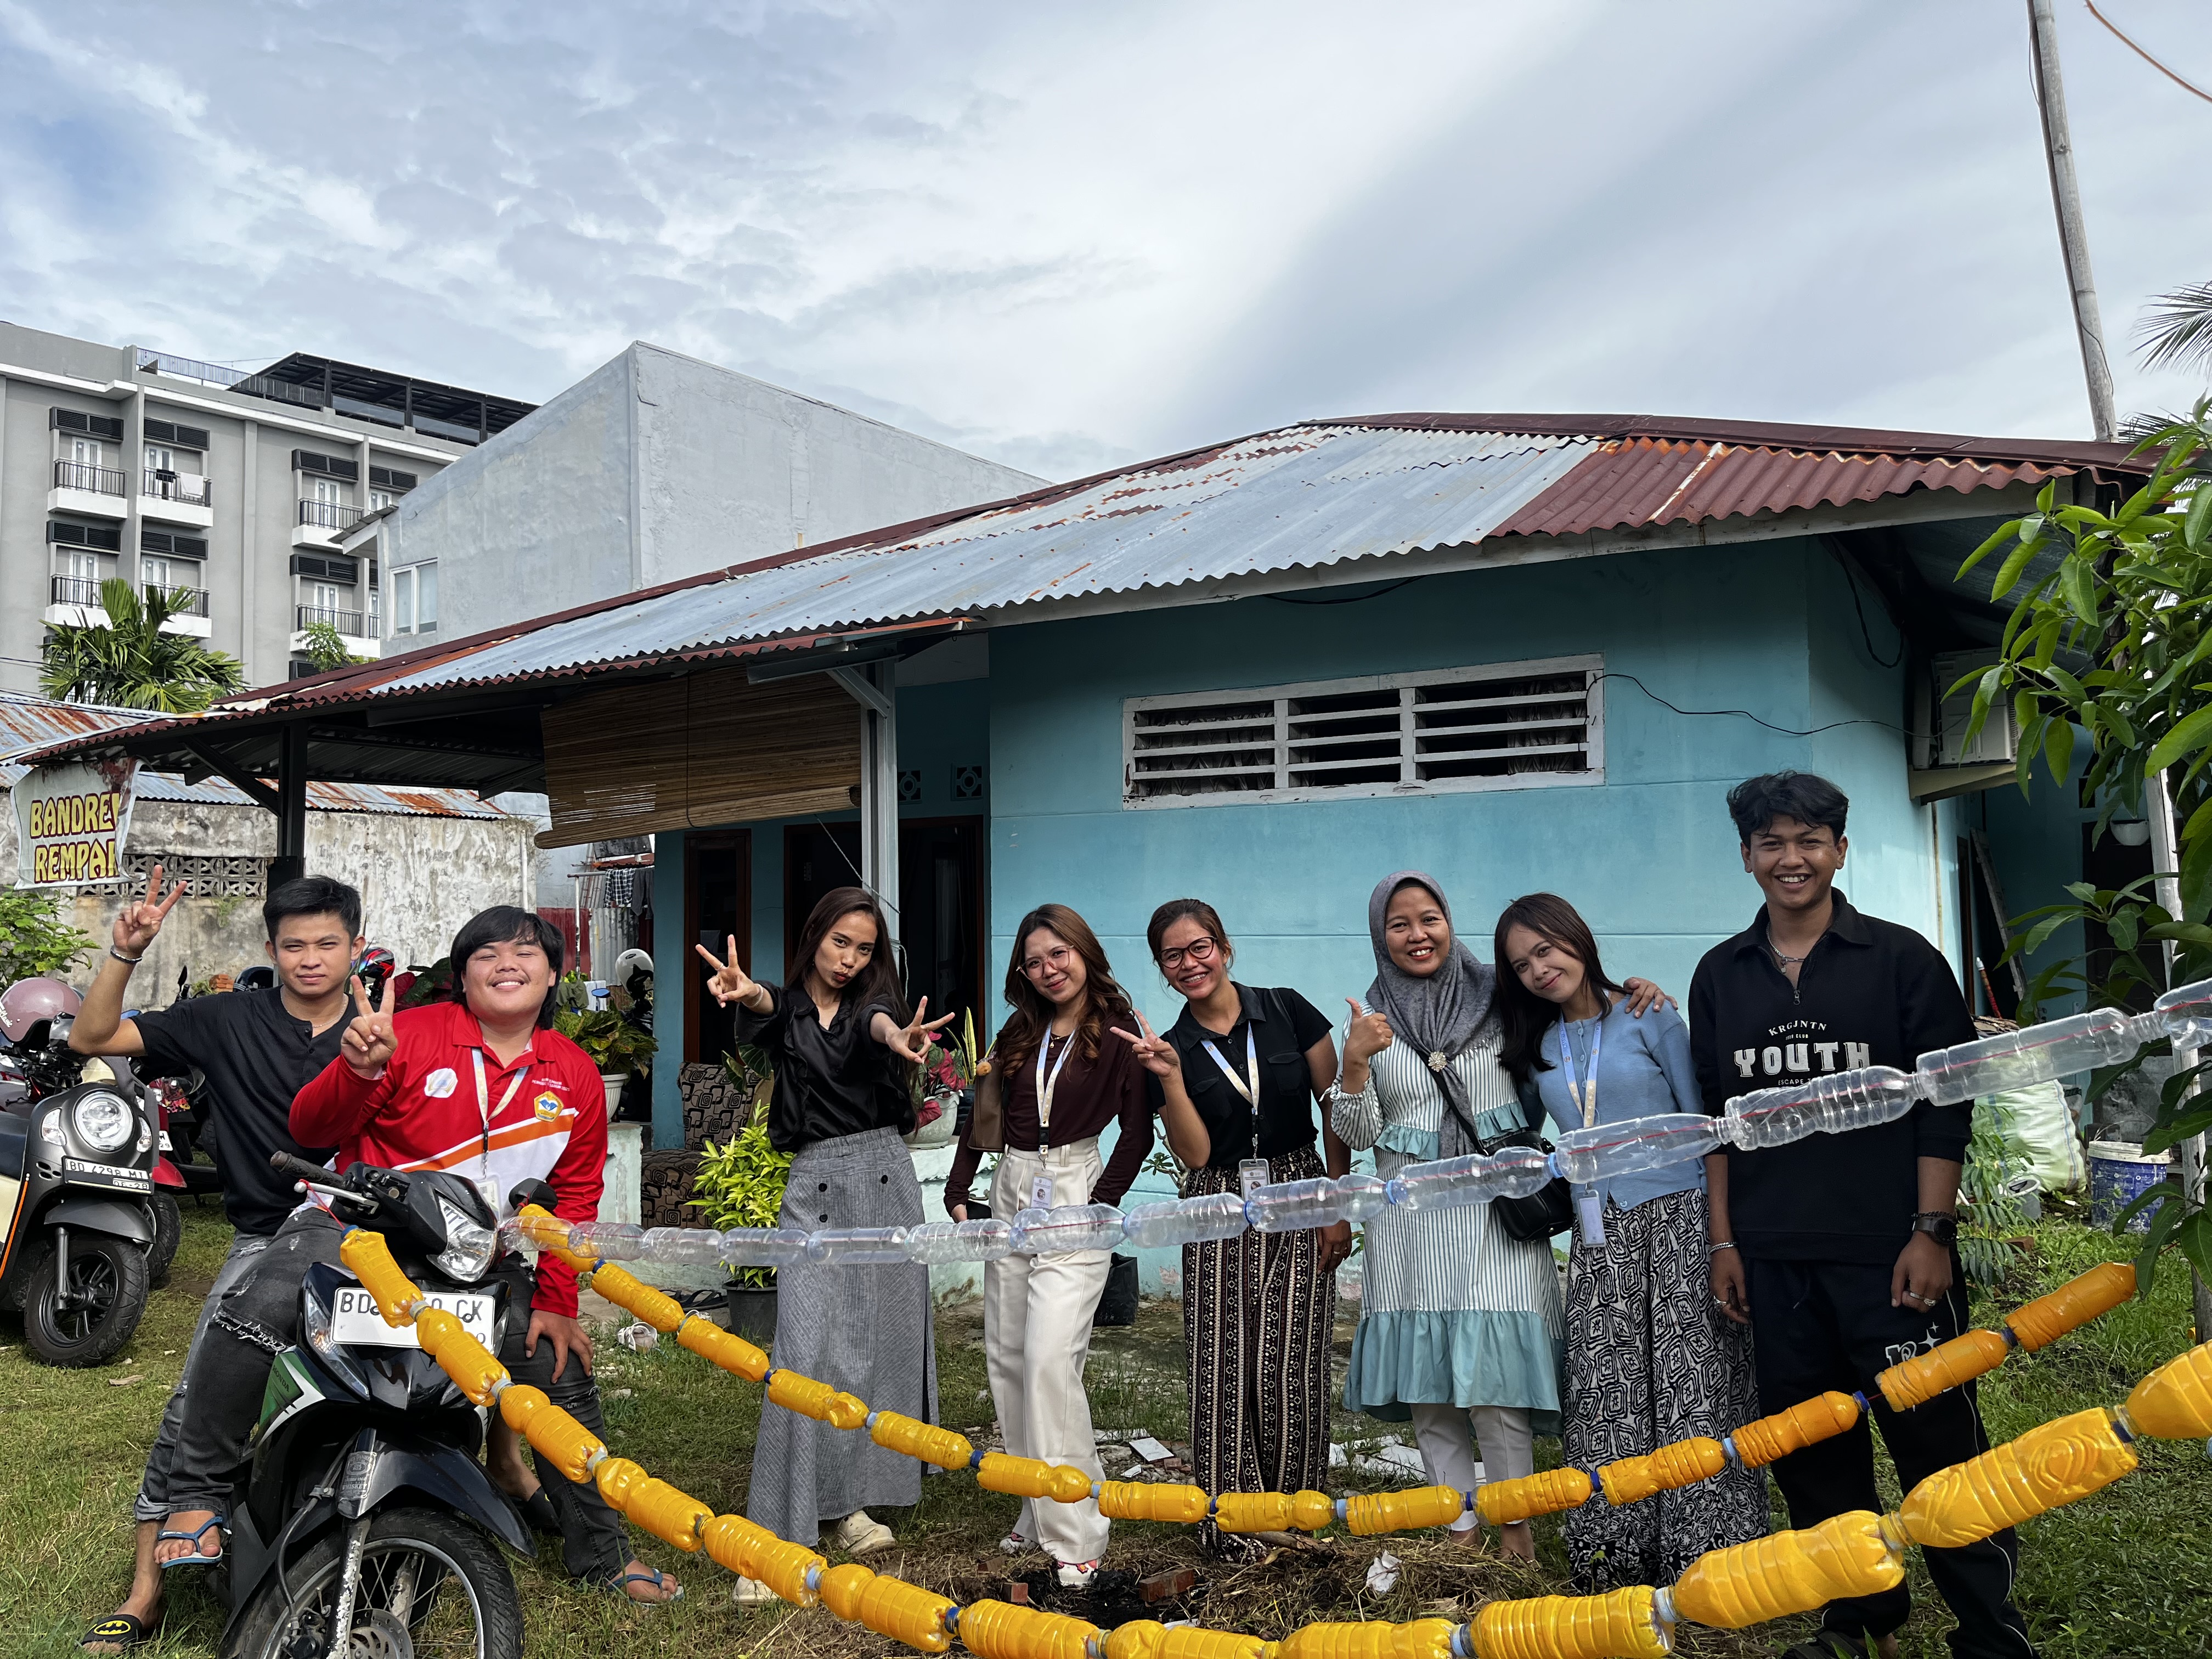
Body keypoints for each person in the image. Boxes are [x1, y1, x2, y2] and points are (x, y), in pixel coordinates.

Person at [150, 906, 680, 1605]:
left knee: (560, 1366)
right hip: (353, 1231)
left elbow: (574, 1199)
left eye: (525, 953)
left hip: (473, 1257)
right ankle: (196, 1494)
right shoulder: (410, 1035)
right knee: (259, 1299)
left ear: (554, 973)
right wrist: (356, 1070)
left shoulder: (576, 1074)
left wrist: (555, 1301)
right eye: (487, 955)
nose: (507, 965)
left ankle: (603, 1557)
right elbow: (310, 1129)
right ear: (462, 976)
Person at [1689, 772, 2034, 1659]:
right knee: (1812, 1452)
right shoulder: (1720, 974)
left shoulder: (1902, 959)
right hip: (1773, 1257)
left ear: (1839, 849)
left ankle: (1991, 1629)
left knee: (1939, 1446)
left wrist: (1931, 1230)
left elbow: (1944, 1105)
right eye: (1771, 842)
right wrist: (1726, 1240)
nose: (1789, 857)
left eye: (1808, 839)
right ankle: (1856, 1615)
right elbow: (1717, 1122)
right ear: (1746, 857)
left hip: (1888, 1254)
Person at [71, 870, 362, 1656]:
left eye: (326, 944)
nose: (310, 959)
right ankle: (144, 1591)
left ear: (355, 949)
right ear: (272, 948)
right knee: (196, 1401)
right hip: (264, 1238)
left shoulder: (388, 1029)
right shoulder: (226, 1019)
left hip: (369, 1243)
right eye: (294, 945)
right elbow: (91, 1039)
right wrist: (123, 953)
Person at [1493, 892, 1765, 1589]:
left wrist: (1721, 1239)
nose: (1538, 970)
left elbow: (1708, 1130)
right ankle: (1613, 1557)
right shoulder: (1541, 1047)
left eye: (1546, 950)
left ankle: (1708, 1557)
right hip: (1597, 1232)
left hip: (1677, 1217)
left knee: (1692, 1383)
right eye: (1522, 965)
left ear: (1576, 939)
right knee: (1608, 1387)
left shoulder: (1650, 1014)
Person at [695, 888, 949, 1602]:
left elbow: (874, 1024)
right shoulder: (786, 1009)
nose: (851, 959)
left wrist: (900, 1042)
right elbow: (772, 1009)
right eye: (841, 941)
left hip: (885, 1174)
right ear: (815, 937)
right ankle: (779, 1536)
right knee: (805, 1354)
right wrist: (746, 994)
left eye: (865, 948)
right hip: (816, 1187)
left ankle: (851, 1504)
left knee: (880, 1350)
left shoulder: (878, 1010)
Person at [1114, 898, 1352, 1562]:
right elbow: (1191, 1153)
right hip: (1216, 1196)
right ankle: (1232, 1524)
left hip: (1300, 1183)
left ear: (1224, 947)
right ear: (1162, 967)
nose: (1190, 964)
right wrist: (1169, 1078)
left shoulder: (1286, 1010)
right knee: (1221, 1362)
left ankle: (1296, 1518)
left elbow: (1334, 1107)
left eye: (1200, 947)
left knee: (1291, 1357)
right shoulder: (1172, 1046)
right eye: (1173, 955)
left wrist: (1336, 1202)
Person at [944, 904, 1154, 1588]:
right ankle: (1037, 1505)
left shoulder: (1119, 1031)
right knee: (1006, 1357)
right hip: (1013, 1186)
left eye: (1058, 954)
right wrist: (959, 1187)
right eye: (1034, 961)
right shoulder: (1020, 1029)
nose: (1048, 970)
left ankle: (1078, 1532)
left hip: (1075, 1184)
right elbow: (986, 1114)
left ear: (1084, 951)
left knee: (1047, 1360)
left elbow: (1137, 1129)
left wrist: (1104, 1202)